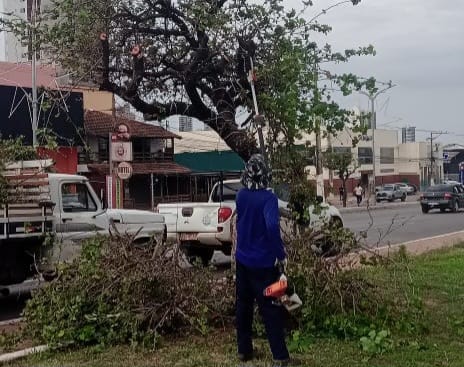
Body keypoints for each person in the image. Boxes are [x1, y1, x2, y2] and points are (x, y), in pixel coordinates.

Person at [235, 154, 290, 366]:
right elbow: (272, 228)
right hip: (264, 264)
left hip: (242, 260)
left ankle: (244, 351)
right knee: (271, 308)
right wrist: (281, 254)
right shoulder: (269, 199)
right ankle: (280, 356)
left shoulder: (241, 196)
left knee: (243, 306)